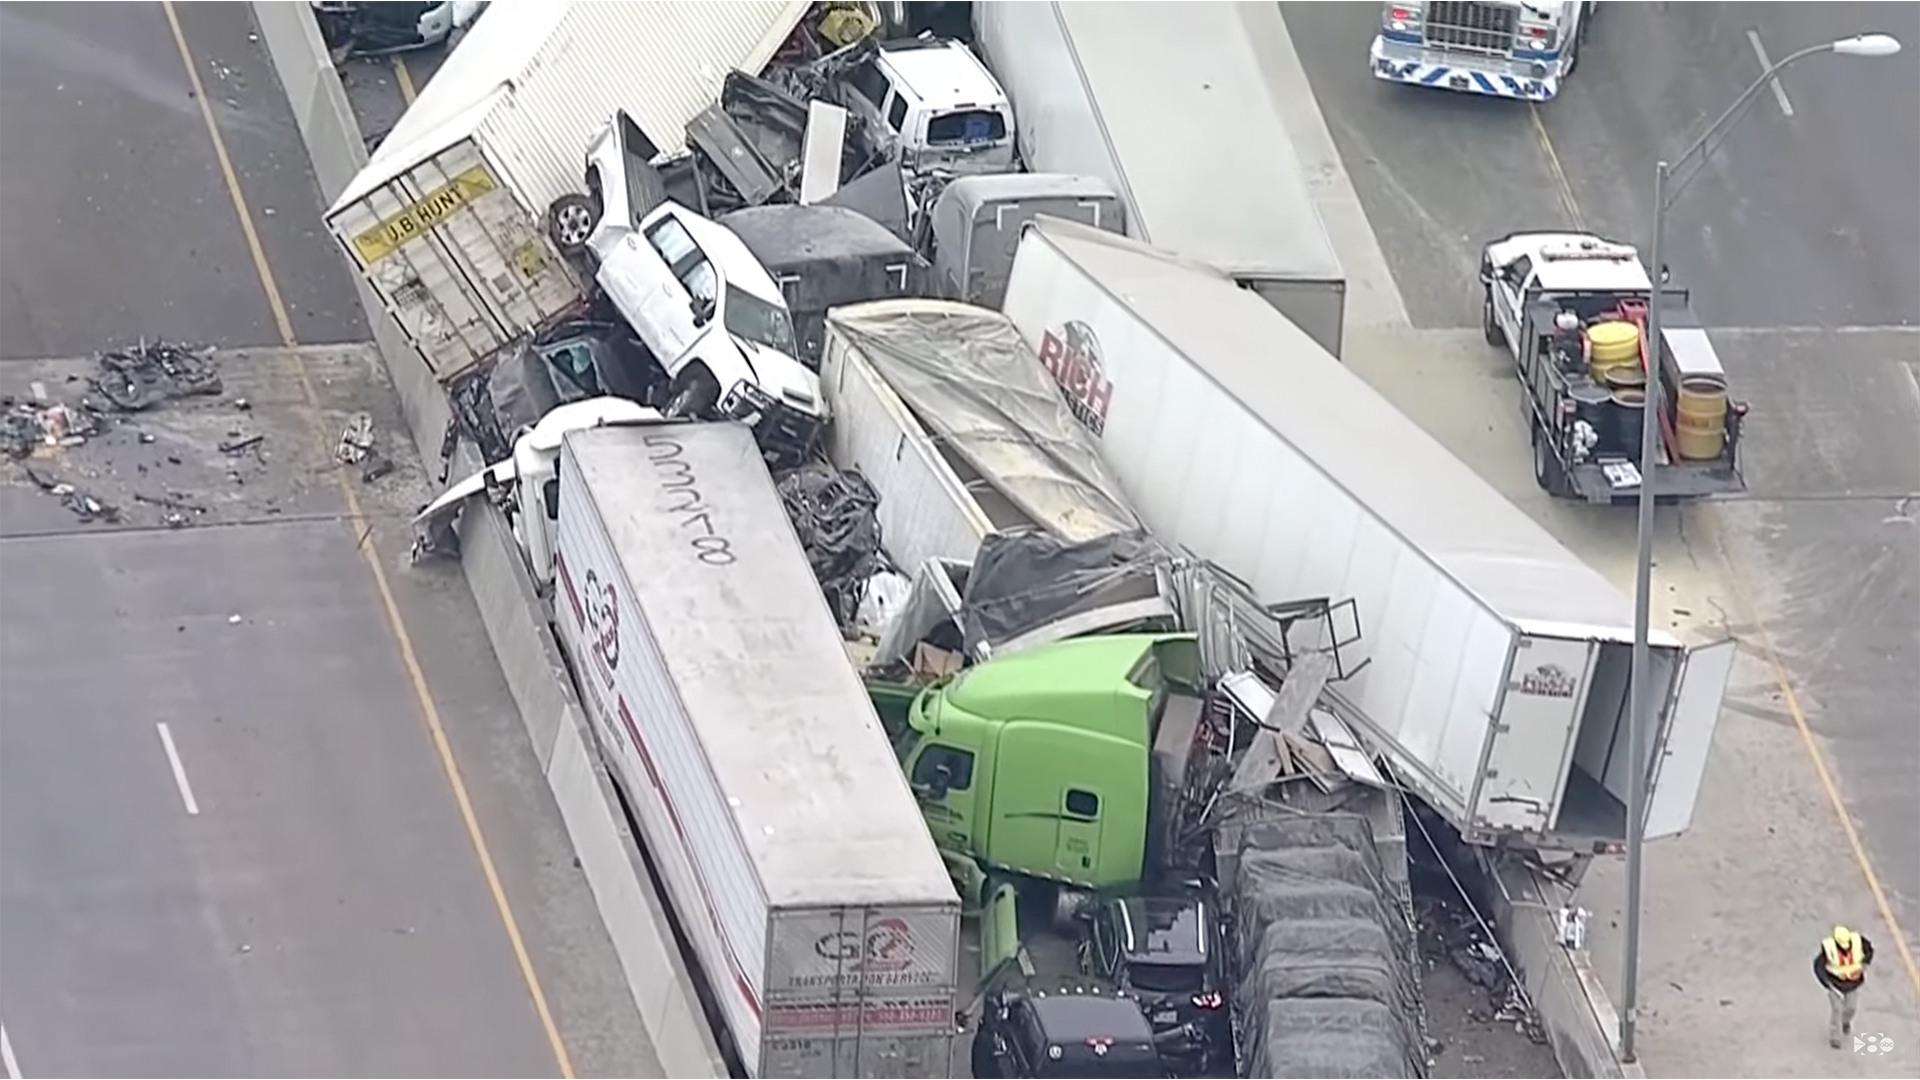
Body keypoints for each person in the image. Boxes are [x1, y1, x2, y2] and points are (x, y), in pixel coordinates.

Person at [1814, 924, 1875, 1048]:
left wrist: (1865, 962)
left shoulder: (1858, 942)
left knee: (1851, 1008)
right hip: (1835, 985)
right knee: (1837, 1010)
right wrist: (1827, 984)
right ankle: (1835, 1037)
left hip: (1852, 983)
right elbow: (1818, 966)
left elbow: (1869, 950)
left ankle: (1845, 1022)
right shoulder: (1829, 949)